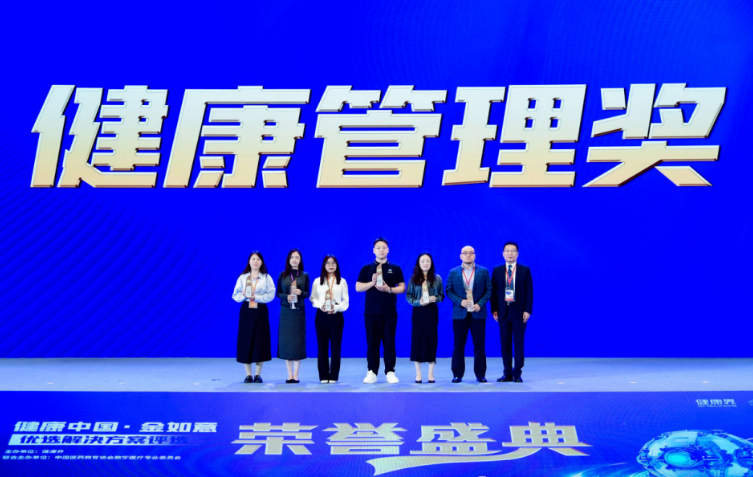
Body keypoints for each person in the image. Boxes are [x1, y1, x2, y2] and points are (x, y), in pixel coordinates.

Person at [356, 237, 405, 384]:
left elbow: (402, 288)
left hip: (389, 312)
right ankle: (372, 371)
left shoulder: (395, 268)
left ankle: (390, 371)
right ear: (373, 250)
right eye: (378, 247)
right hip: (371, 312)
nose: (381, 250)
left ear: (388, 250)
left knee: (389, 343)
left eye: (384, 247)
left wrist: (388, 289)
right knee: (372, 343)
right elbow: (358, 287)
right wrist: (371, 283)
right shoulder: (366, 268)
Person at [445, 245, 492, 383]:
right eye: (465, 253)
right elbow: (448, 290)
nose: (468, 255)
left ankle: (480, 374)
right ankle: (457, 374)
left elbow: (489, 290)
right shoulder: (453, 272)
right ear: (461, 256)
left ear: (475, 255)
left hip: (478, 313)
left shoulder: (483, 271)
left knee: (479, 345)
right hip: (460, 313)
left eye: (471, 253)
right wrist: (460, 301)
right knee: (458, 345)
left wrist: (480, 304)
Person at [492, 241, 533, 383]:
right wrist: (494, 309)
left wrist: (528, 310)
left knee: (519, 342)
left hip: (519, 312)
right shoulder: (497, 270)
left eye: (513, 251)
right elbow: (493, 291)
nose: (510, 253)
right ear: (503, 253)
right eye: (507, 251)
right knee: (505, 343)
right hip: (503, 312)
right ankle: (507, 373)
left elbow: (529, 292)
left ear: (517, 253)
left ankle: (517, 373)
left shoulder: (525, 269)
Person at [232, 251, 276, 383]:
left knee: (260, 341)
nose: (255, 262)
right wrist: (244, 295)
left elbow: (271, 295)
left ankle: (258, 375)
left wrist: (255, 297)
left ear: (261, 262)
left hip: (260, 309)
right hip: (247, 310)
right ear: (249, 261)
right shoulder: (243, 277)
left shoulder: (266, 278)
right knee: (246, 341)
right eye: (253, 259)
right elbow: (235, 295)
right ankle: (248, 375)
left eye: (258, 259)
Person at [405, 253, 444, 383]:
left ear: (431, 263)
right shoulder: (413, 279)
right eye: (423, 261)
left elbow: (441, 296)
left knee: (431, 340)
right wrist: (418, 302)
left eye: (428, 261)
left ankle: (431, 373)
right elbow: (408, 297)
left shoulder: (437, 278)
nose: (425, 263)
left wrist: (435, 298)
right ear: (418, 263)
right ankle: (418, 373)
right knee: (417, 340)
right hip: (418, 312)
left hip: (431, 312)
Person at [310, 255, 349, 384]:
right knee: (322, 346)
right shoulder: (317, 281)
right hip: (321, 315)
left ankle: (333, 376)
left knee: (336, 346)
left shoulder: (342, 281)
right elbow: (313, 298)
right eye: (328, 263)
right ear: (324, 265)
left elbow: (346, 302)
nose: (331, 265)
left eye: (333, 263)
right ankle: (323, 375)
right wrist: (321, 305)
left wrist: (336, 308)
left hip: (336, 316)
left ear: (337, 265)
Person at [276, 249, 310, 384]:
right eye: (292, 257)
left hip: (298, 312)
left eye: (297, 257)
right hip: (286, 311)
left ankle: (296, 374)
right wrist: (286, 296)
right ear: (288, 260)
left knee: (297, 342)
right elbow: (278, 293)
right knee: (286, 342)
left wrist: (300, 292)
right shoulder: (282, 275)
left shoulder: (304, 275)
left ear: (300, 260)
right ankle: (289, 374)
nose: (294, 260)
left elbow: (307, 293)